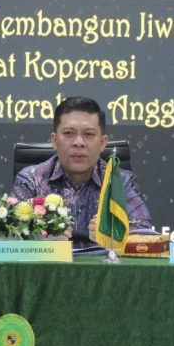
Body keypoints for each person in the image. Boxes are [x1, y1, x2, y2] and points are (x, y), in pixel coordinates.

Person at [13, 96, 152, 248]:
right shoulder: (32, 179)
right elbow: (10, 236)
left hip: (103, 263)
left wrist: (116, 234)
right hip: (49, 263)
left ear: (103, 143)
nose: (78, 142)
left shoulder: (120, 181)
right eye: (68, 133)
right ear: (54, 140)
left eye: (89, 134)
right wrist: (43, 239)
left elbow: (145, 235)